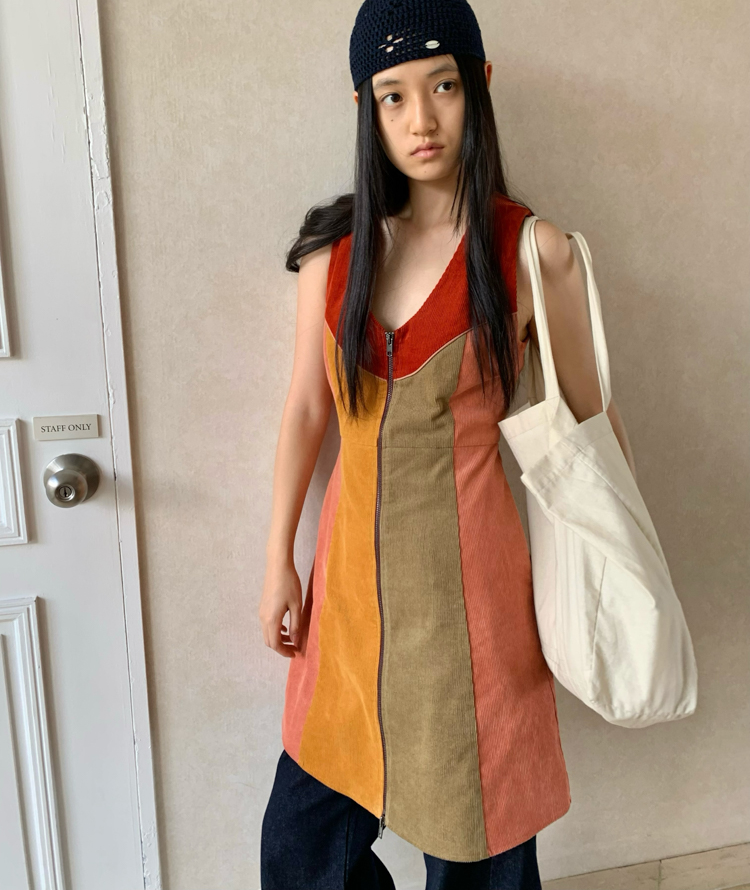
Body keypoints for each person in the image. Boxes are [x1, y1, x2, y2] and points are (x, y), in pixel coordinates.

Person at [258, 0, 637, 887]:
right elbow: (307, 411)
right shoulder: (333, 257)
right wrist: (279, 560)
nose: (421, 119)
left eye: (442, 86)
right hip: (347, 614)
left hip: (477, 622)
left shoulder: (533, 252)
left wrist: (627, 567)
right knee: (300, 853)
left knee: (479, 857)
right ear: (366, 108)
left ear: (479, 86)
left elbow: (590, 421)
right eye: (393, 96)